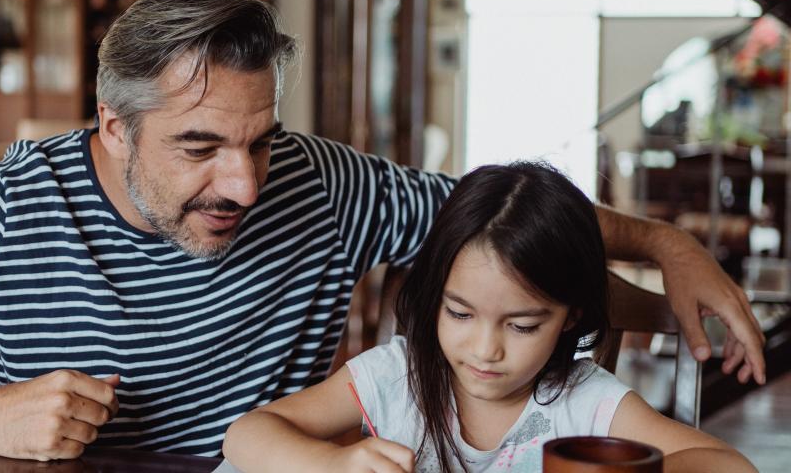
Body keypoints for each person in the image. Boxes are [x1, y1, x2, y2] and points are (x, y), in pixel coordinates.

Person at [0, 0, 765, 461]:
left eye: (262, 141)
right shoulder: (2, 212)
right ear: (111, 128)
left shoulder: (316, 183)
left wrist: (668, 249)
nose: (244, 183)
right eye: (199, 148)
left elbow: (509, 238)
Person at [222, 162, 757, 473]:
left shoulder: (584, 402)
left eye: (522, 326)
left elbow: (729, 466)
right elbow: (247, 433)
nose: (484, 349)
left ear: (570, 317)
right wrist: (333, 467)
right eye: (459, 313)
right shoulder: (396, 377)